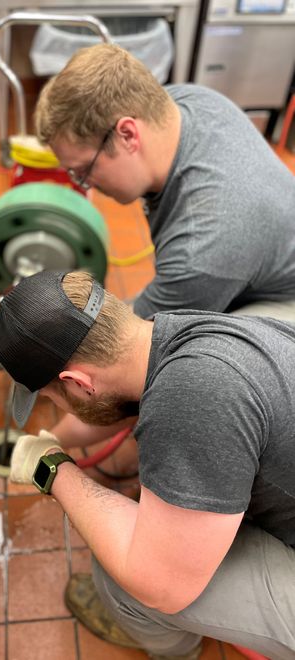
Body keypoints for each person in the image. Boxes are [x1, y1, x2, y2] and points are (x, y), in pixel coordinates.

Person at [0, 269, 295, 659]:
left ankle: (179, 652)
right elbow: (118, 404)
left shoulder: (190, 398)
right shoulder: (178, 333)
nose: (56, 407)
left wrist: (50, 468)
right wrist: (56, 439)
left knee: (126, 577)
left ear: (79, 383)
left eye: (53, 397)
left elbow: (159, 584)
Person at [34, 42, 295, 456]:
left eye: (84, 171)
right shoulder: (184, 103)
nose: (87, 187)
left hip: (282, 310)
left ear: (127, 133)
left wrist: (50, 443)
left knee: (183, 377)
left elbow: (126, 367)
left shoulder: (201, 250)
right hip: (254, 257)